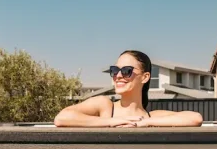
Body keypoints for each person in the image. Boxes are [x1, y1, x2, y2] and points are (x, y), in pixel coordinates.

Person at [54, 50, 203, 128]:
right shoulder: (105, 106)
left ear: (145, 77)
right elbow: (62, 118)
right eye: (114, 70)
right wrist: (111, 122)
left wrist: (145, 123)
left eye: (126, 71)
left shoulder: (151, 117)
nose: (118, 75)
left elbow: (195, 118)